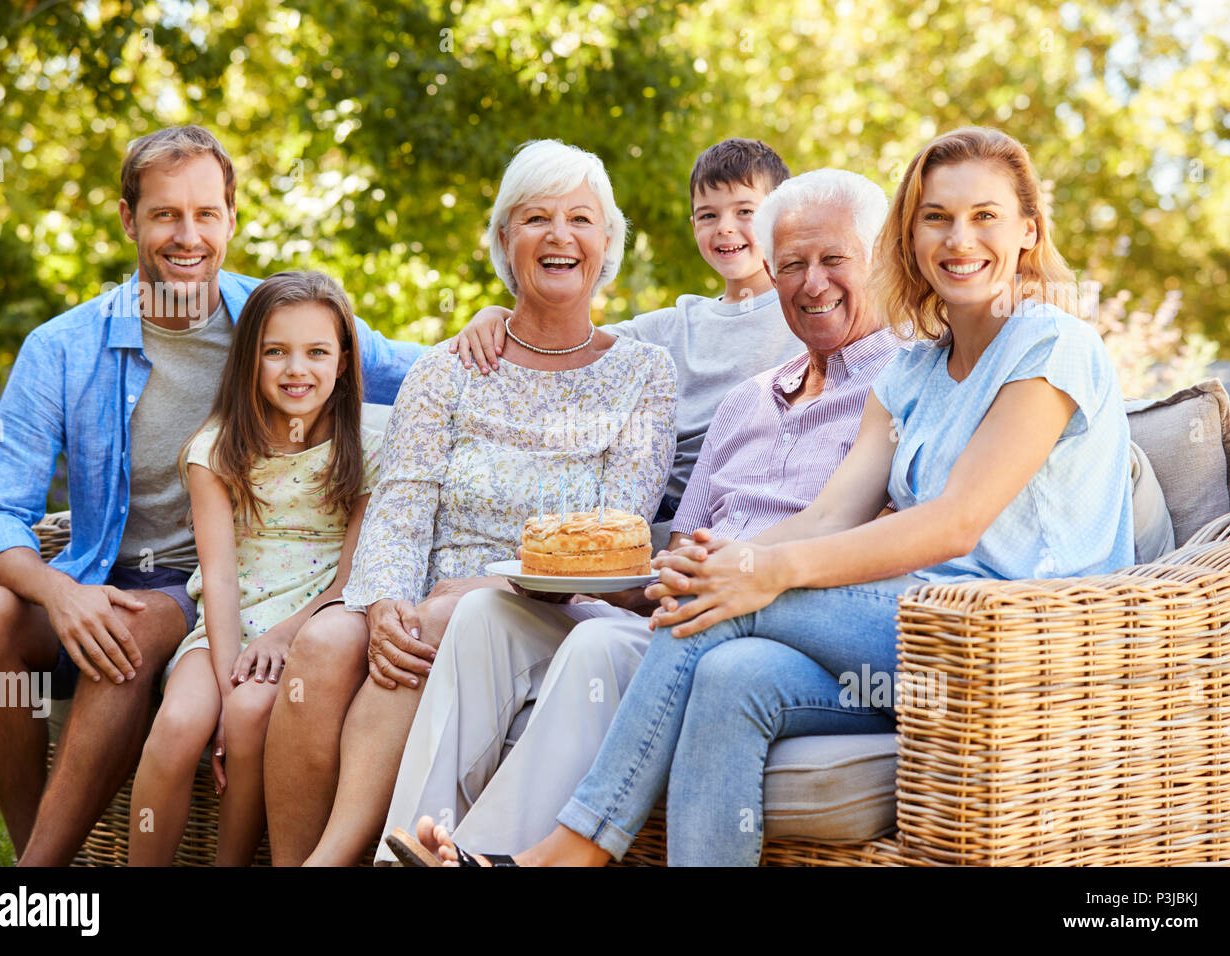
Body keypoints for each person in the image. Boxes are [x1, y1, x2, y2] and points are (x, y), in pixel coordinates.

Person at [420, 126, 1136, 867]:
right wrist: (725, 560)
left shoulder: (1053, 345)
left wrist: (762, 575)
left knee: (723, 603)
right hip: (909, 646)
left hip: (1025, 647)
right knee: (733, 673)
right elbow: (830, 513)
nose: (960, 238)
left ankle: (562, 855)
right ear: (912, 237)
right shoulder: (913, 373)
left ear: (1027, 230)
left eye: (984, 216)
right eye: (936, 217)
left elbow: (954, 524)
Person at [382, 168, 900, 865]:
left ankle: (490, 858)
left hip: (778, 622)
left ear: (880, 261)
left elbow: (880, 540)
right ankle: (411, 850)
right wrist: (620, 578)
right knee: (485, 617)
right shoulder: (745, 402)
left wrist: (713, 577)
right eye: (791, 265)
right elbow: (674, 549)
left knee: (598, 648)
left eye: (834, 260)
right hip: (675, 610)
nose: (811, 283)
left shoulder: (902, 386)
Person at [0, 125, 422, 866]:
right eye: (166, 214)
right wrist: (60, 593)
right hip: (95, 572)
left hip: (192, 584)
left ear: (232, 219)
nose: (187, 235)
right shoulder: (61, 348)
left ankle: (35, 883)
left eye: (207, 213)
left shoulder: (272, 324)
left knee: (125, 639)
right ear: (129, 220)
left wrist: (501, 325)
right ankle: (35, 853)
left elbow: (424, 370)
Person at [260, 139, 677, 866]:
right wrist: (385, 600)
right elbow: (401, 504)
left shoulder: (644, 372)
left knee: (449, 616)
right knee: (328, 641)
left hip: (561, 608)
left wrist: (490, 582)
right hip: (429, 593)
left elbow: (618, 533)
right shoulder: (449, 366)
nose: (559, 236)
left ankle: (355, 855)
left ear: (606, 242)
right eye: (535, 218)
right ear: (503, 239)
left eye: (580, 218)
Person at [126, 271, 383, 865]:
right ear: (249, 360)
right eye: (276, 352)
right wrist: (222, 680)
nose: (298, 369)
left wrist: (281, 637)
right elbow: (215, 577)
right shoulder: (215, 449)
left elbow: (351, 580)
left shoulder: (366, 449)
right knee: (179, 728)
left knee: (247, 716)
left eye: (317, 351)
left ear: (343, 361)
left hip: (310, 623)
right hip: (225, 625)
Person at [451, 138, 801, 549]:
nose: (725, 227)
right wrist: (497, 315)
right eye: (708, 215)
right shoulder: (676, 324)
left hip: (741, 508)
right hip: (661, 511)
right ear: (694, 226)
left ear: (780, 217)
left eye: (745, 212)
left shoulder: (803, 312)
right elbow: (565, 345)